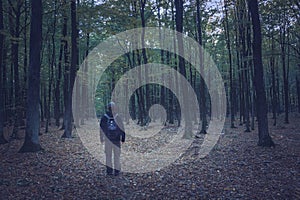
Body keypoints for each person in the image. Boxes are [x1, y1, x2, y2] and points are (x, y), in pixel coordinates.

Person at [100, 102, 125, 176]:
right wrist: (123, 138)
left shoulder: (104, 117)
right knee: (117, 156)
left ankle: (109, 171)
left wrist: (101, 138)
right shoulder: (118, 117)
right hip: (116, 140)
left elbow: (101, 129)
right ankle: (116, 171)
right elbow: (122, 128)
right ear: (114, 108)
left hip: (108, 140)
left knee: (108, 156)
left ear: (108, 108)